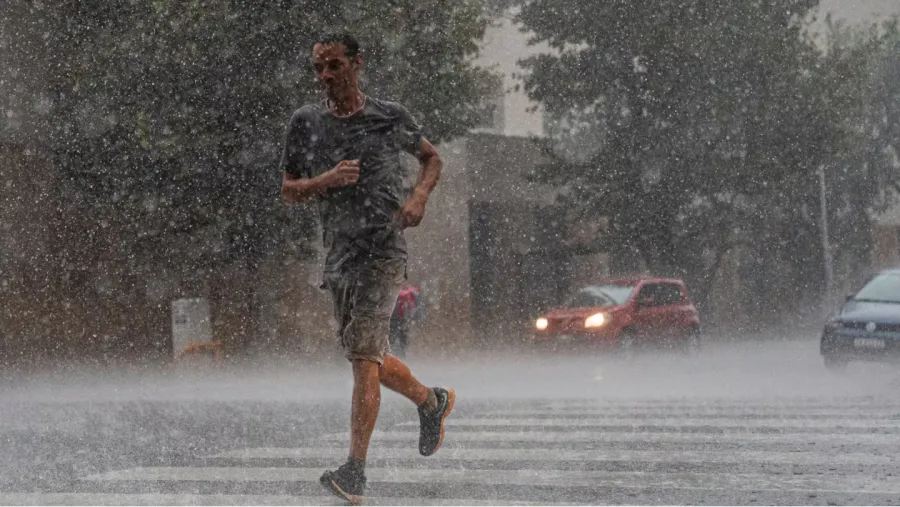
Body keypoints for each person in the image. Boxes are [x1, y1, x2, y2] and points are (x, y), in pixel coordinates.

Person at [279, 32, 455, 504]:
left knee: (362, 358)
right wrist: (327, 179)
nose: (325, 77)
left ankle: (354, 471)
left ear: (357, 64)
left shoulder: (389, 117)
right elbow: (289, 189)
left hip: (382, 251)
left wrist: (418, 196)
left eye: (334, 66)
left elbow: (432, 159)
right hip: (338, 256)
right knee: (366, 356)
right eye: (319, 68)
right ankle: (430, 401)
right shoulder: (306, 122)